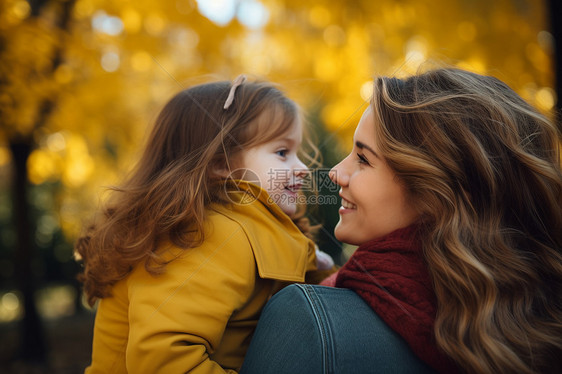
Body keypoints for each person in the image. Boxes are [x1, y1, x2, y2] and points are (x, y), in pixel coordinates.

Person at [240, 67, 562, 374]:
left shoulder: (306, 322)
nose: (335, 173)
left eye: (363, 159)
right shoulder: (536, 329)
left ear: (433, 194)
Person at [75, 75, 334, 373]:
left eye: (298, 152)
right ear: (221, 163)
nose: (302, 168)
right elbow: (163, 360)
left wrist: (313, 264)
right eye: (282, 152)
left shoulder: (240, 227)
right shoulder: (207, 234)